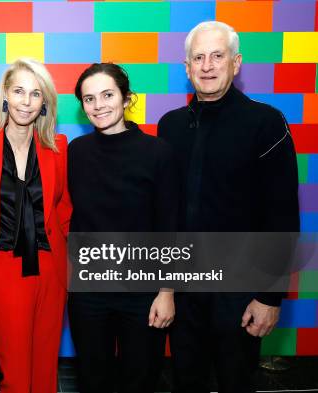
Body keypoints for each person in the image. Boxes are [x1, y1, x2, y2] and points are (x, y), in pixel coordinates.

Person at [157, 21, 300, 393]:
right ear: (187, 69)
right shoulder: (169, 127)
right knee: (186, 382)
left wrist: (269, 296)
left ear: (236, 63)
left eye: (217, 56)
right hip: (185, 292)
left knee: (237, 383)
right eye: (198, 58)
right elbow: (166, 213)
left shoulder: (266, 122)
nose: (207, 65)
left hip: (241, 292)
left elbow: (282, 213)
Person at [67, 63, 177, 393]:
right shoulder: (77, 152)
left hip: (143, 294)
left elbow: (170, 226)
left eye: (107, 95)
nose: (98, 105)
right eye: (89, 99)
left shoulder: (159, 153)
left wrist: (167, 292)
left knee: (140, 380)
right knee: (92, 379)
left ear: (127, 99)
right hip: (89, 292)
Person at [0, 58, 72, 393]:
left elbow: (65, 210)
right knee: (15, 374)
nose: (26, 101)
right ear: (5, 96)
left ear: (45, 102)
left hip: (51, 270)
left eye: (35, 93)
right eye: (18, 91)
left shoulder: (58, 147)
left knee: (45, 370)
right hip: (4, 270)